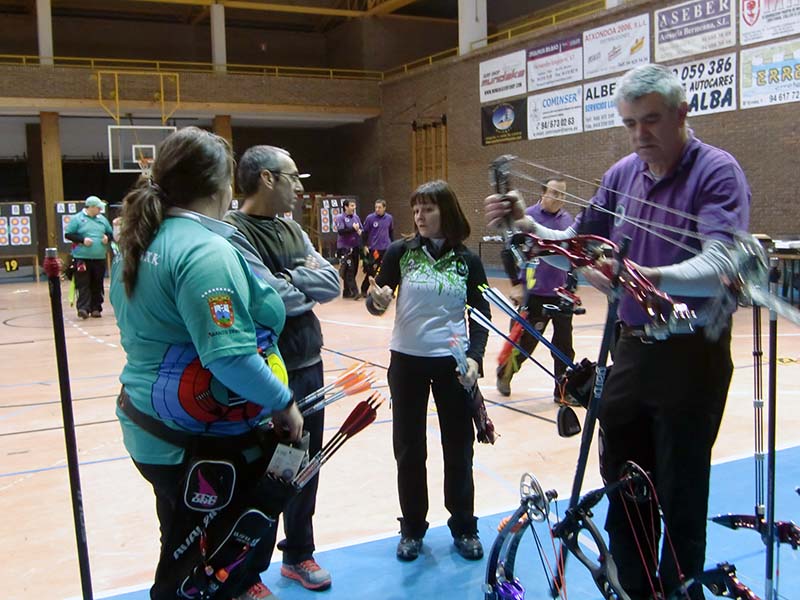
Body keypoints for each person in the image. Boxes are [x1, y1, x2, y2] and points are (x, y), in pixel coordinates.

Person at [485, 64, 750, 599]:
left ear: (681, 114)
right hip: (630, 353)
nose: (639, 134)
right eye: (630, 123)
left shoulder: (716, 171)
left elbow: (722, 262)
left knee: (679, 496)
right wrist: (525, 226)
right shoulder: (622, 174)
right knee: (624, 491)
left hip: (691, 356)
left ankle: (681, 591)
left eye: (650, 120)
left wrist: (650, 276)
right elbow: (576, 244)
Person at [110, 127, 304, 600]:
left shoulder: (146, 239)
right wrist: (282, 402)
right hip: (199, 445)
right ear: (220, 185)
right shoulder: (204, 251)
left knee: (184, 547)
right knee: (207, 566)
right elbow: (230, 358)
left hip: (157, 433)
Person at [224, 145, 340, 593]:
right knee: (267, 472)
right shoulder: (234, 232)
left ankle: (299, 553)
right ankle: (249, 571)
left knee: (305, 466)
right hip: (268, 372)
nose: (299, 188)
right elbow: (268, 298)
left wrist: (291, 279)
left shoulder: (293, 229)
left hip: (310, 364)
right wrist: (297, 282)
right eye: (293, 177)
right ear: (267, 178)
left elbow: (331, 282)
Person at [366, 180, 491, 563]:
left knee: (459, 448)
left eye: (428, 209)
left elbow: (482, 315)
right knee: (409, 449)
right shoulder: (400, 252)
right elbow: (377, 301)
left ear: (446, 211)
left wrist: (474, 358)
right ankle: (412, 529)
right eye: (416, 209)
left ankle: (464, 526)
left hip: (453, 364)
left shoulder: (467, 260)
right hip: (407, 362)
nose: (420, 216)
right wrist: (376, 301)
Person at [495, 178, 576, 404]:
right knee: (524, 345)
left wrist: (573, 285)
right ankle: (505, 373)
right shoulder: (527, 217)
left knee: (564, 347)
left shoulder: (568, 221)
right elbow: (508, 252)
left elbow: (572, 254)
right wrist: (516, 284)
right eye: (554, 193)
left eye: (563, 194)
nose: (559, 198)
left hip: (561, 294)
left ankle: (563, 391)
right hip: (534, 294)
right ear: (543, 193)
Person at [64, 195, 113, 319]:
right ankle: (83, 308)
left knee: (97, 283)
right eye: (98, 208)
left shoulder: (102, 219)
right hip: (82, 257)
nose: (100, 210)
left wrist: (107, 237)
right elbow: (68, 234)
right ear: (91, 207)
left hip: (99, 257)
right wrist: (82, 240)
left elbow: (111, 233)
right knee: (83, 283)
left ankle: (96, 308)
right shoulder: (77, 219)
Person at [359, 199, 394, 297]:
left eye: (379, 207)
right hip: (375, 249)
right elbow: (364, 233)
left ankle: (388, 291)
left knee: (388, 270)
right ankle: (364, 289)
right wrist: (364, 245)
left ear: (384, 208)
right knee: (372, 270)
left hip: (386, 248)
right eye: (376, 207)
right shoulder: (370, 218)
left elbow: (391, 232)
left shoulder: (389, 218)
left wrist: (392, 244)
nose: (377, 209)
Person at [334, 199, 362, 299]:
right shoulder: (340, 218)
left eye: (354, 205)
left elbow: (360, 228)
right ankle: (355, 291)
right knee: (350, 269)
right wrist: (353, 229)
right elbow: (341, 231)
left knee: (354, 270)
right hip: (345, 248)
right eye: (352, 205)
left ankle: (346, 291)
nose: (354, 207)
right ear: (346, 207)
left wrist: (359, 231)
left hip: (355, 247)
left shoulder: (356, 217)